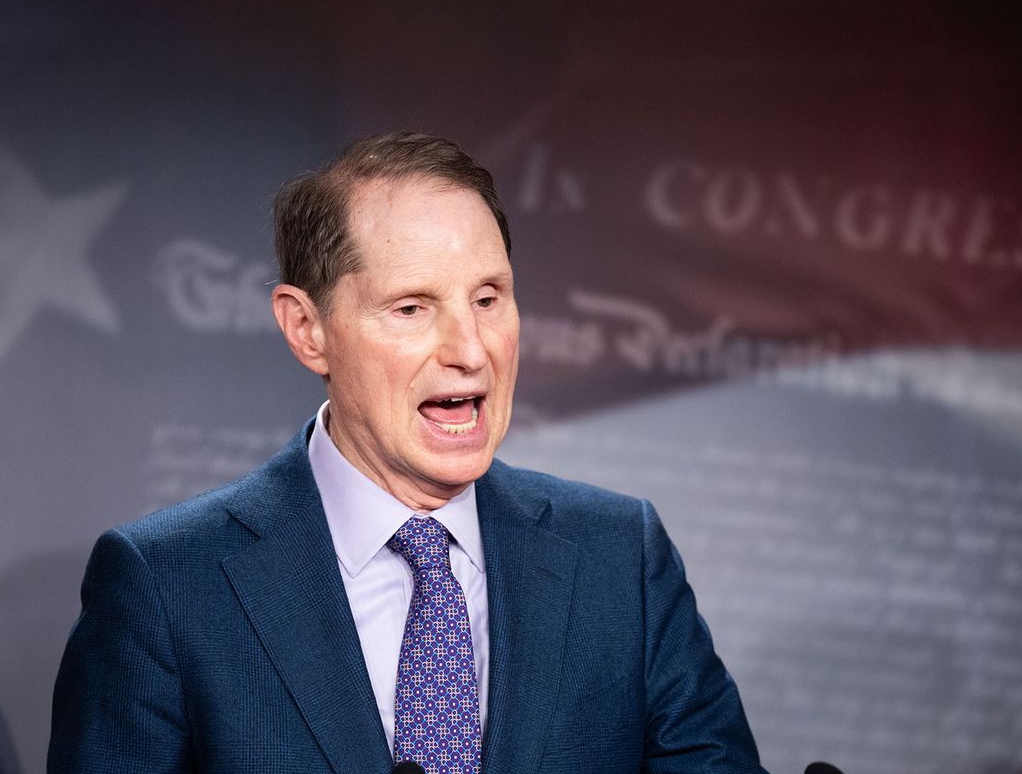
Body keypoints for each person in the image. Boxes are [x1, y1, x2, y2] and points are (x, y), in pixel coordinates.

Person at [48, 132, 768, 774]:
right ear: (307, 330)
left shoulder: (620, 562)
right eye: (412, 308)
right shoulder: (167, 587)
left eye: (488, 299)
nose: (468, 350)